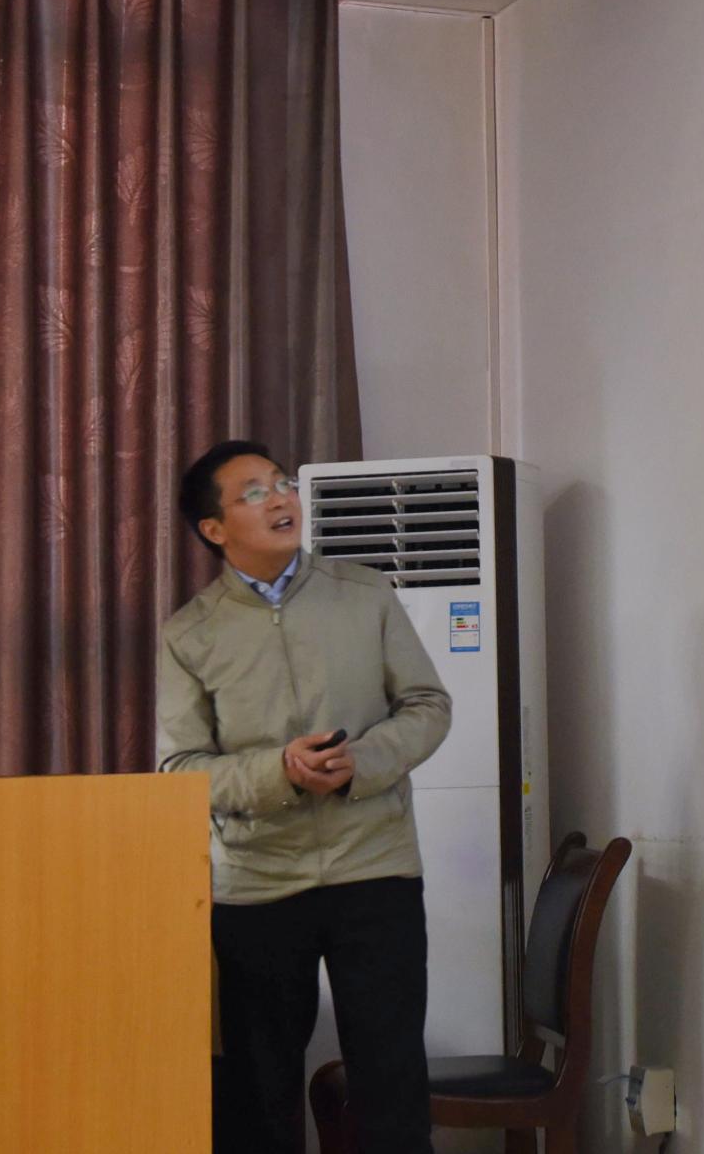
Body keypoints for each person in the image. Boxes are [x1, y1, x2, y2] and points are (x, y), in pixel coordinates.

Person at [157, 439, 451, 1154]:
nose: (281, 498)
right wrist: (280, 772)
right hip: (256, 883)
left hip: (374, 868)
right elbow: (180, 769)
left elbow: (426, 705)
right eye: (254, 492)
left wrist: (361, 761)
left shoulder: (365, 593)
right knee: (259, 1097)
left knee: (391, 1086)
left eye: (282, 482)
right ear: (215, 528)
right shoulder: (190, 633)